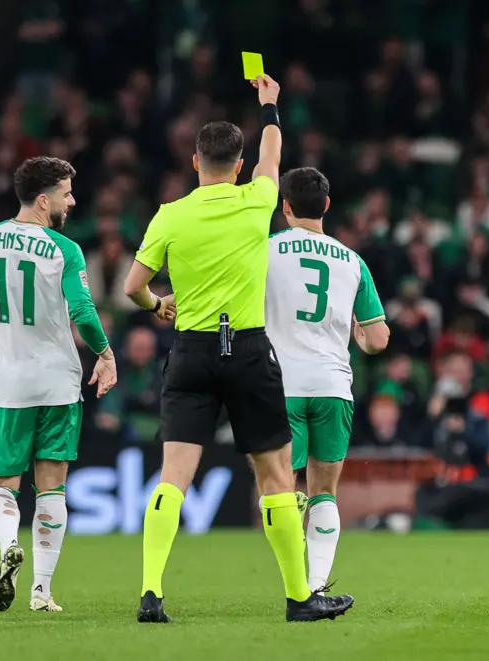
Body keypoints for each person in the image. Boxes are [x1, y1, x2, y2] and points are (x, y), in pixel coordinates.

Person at [124, 76, 353, 623]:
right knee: (277, 479)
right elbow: (273, 153)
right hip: (248, 351)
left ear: (196, 162)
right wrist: (268, 104)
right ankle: (301, 598)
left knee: (173, 476)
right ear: (240, 162)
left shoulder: (170, 215)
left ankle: (151, 592)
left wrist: (158, 307)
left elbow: (132, 287)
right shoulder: (258, 199)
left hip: (192, 352)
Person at [0, 157, 123, 614]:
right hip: (57, 384)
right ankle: (42, 591)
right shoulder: (64, 249)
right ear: (43, 199)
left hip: (7, 382)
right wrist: (106, 355)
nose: (72, 201)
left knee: (1, 484)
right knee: (52, 489)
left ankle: (9, 543)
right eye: (67, 193)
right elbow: (84, 312)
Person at [264, 167, 390, 593]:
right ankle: (317, 587)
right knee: (325, 489)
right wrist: (358, 334)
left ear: (285, 207)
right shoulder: (352, 260)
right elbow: (377, 340)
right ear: (327, 207)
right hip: (333, 387)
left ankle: (295, 585)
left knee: (282, 487)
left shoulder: (265, 251)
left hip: (280, 385)